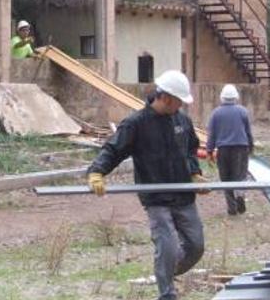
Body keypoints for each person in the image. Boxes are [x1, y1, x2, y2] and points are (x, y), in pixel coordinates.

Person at [87, 70, 206, 300]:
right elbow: (113, 149)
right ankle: (167, 293)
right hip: (156, 197)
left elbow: (191, 149)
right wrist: (97, 172)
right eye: (179, 100)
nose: (181, 105)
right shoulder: (136, 123)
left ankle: (167, 273)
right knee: (168, 246)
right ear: (167, 98)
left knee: (196, 246)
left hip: (183, 196)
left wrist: (194, 174)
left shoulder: (182, 121)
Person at [206, 84, 253, 216]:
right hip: (241, 148)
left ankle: (231, 208)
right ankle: (240, 195)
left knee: (226, 179)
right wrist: (251, 146)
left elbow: (212, 134)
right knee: (240, 176)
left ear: (222, 97)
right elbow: (248, 131)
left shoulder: (216, 113)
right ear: (235, 97)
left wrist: (209, 151)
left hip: (223, 149)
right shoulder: (243, 111)